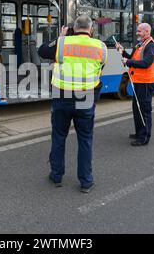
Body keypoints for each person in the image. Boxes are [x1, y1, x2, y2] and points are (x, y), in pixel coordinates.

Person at [38, 15, 108, 193]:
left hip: (61, 98)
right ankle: (86, 182)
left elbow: (42, 51)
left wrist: (60, 37)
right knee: (85, 140)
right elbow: (100, 68)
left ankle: (56, 176)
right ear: (91, 29)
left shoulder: (63, 43)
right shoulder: (101, 47)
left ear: (73, 28)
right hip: (85, 99)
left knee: (59, 137)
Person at [116, 23, 154, 147]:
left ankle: (144, 137)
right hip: (138, 82)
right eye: (137, 31)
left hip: (146, 83)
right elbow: (132, 58)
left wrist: (128, 62)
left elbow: (146, 63)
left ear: (147, 32)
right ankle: (139, 132)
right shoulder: (140, 45)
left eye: (139, 31)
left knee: (144, 110)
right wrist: (122, 52)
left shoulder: (151, 46)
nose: (137, 33)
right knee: (137, 109)